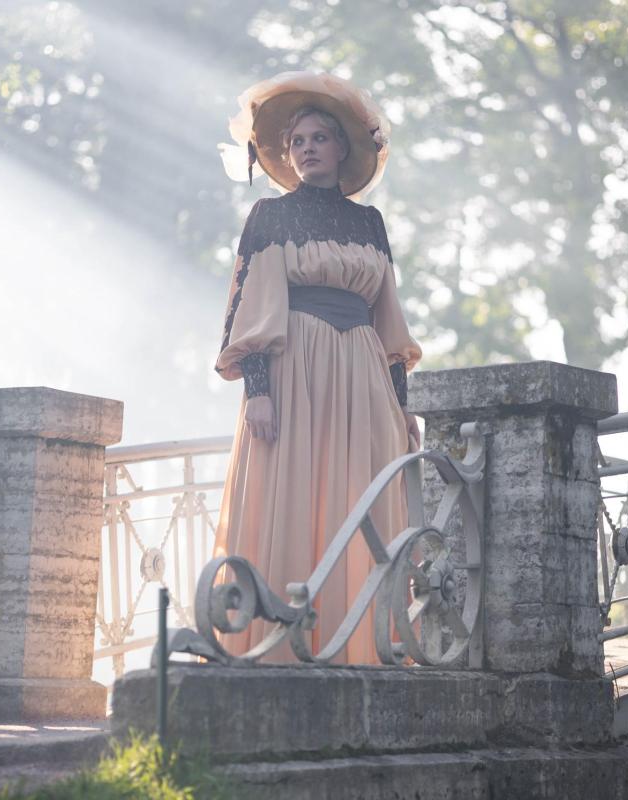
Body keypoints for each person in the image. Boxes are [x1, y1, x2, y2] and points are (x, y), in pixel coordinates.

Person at [213, 72, 421, 664]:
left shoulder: (369, 223)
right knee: (292, 496)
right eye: (297, 142)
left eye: (318, 139)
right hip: (294, 372)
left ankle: (362, 646)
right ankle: (280, 645)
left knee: (362, 499)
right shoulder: (269, 216)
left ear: (341, 149)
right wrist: (258, 390)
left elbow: (388, 319)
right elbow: (251, 307)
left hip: (362, 376)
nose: (306, 149)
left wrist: (402, 405)